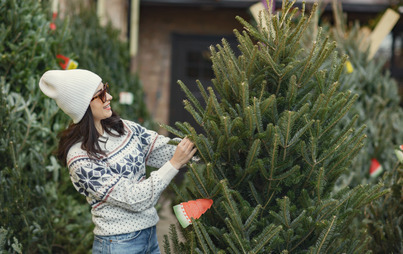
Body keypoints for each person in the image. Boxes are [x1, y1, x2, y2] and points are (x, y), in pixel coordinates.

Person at [39, 69, 197, 254]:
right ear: (83, 105)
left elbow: (166, 149)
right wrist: (174, 164)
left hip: (150, 237)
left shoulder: (124, 128)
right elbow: (135, 199)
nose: (110, 97)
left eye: (105, 88)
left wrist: (214, 148)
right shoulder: (79, 159)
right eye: (101, 94)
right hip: (118, 245)